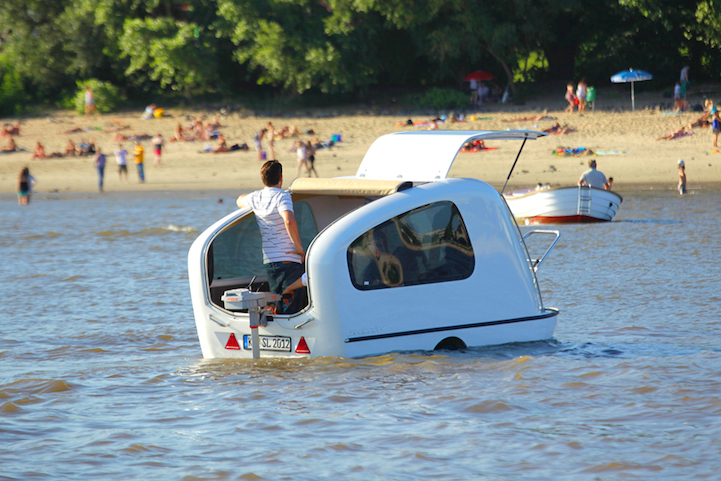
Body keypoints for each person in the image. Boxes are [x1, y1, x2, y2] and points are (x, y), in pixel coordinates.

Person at [236, 160, 306, 314]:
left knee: (277, 303)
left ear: (263, 179)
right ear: (281, 177)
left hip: (270, 261)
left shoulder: (256, 197)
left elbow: (239, 200)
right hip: (288, 259)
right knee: (291, 307)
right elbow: (288, 220)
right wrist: (299, 248)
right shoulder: (282, 196)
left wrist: (247, 198)